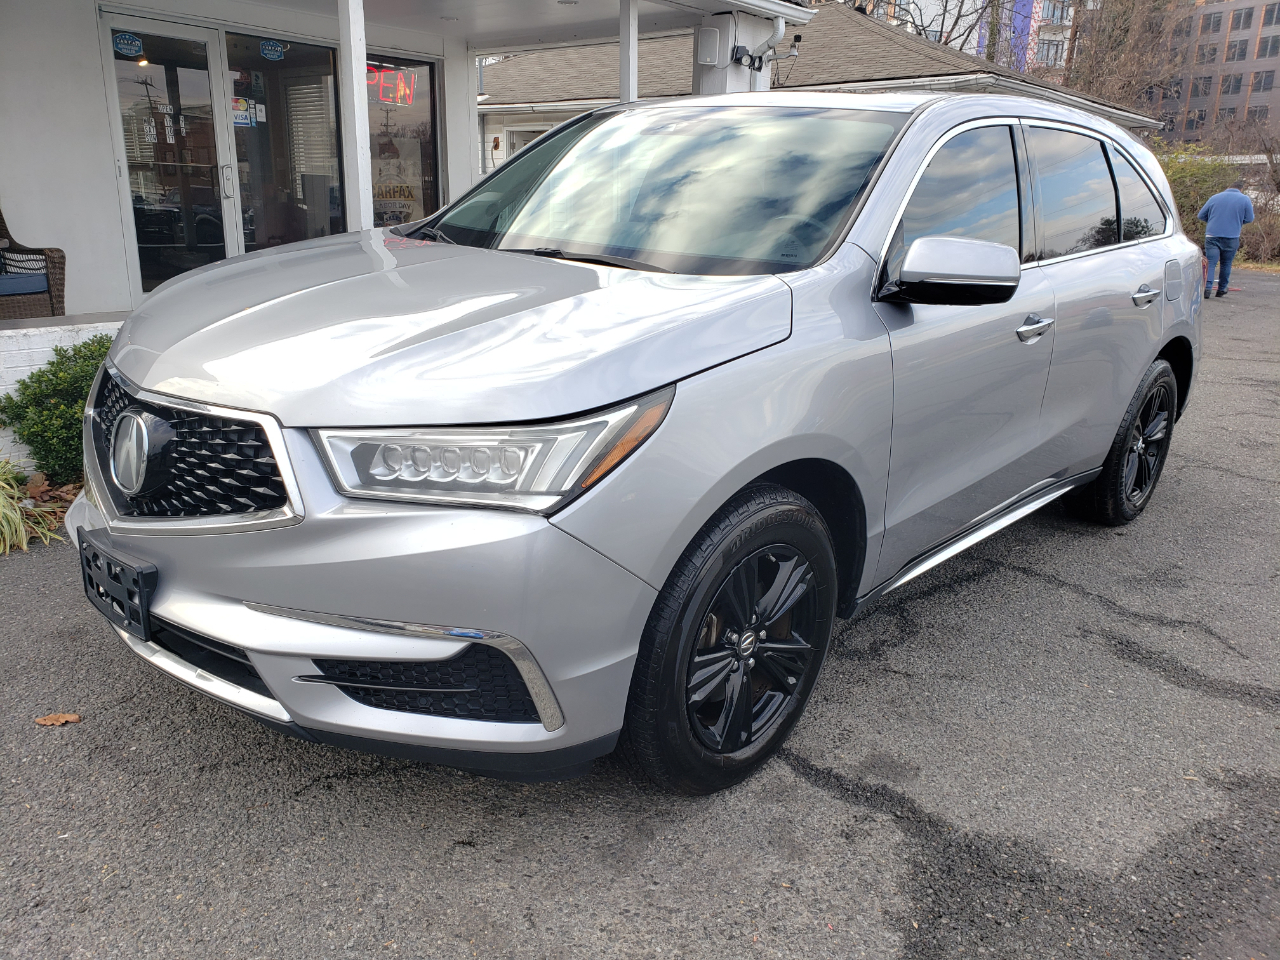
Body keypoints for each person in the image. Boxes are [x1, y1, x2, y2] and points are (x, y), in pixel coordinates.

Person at [1198, 181, 1254, 298]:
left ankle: (1207, 289)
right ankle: (1222, 288)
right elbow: (1249, 218)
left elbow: (1201, 215)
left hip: (1212, 235)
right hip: (1232, 236)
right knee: (1226, 263)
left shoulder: (1215, 197)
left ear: (1228, 187)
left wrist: (1213, 221)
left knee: (1211, 262)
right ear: (1241, 189)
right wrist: (1238, 222)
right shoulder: (1245, 199)